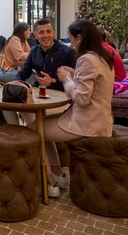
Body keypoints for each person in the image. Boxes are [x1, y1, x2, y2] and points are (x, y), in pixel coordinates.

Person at [28, 18, 115, 198]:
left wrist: (65, 79)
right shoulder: (103, 57)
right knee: (42, 125)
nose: (70, 42)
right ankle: (58, 175)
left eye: (71, 38)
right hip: (100, 119)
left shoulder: (86, 59)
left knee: (34, 130)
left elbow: (82, 99)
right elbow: (95, 85)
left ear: (80, 38)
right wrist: (75, 73)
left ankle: (50, 179)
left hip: (87, 123)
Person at [17, 18, 76, 91]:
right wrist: (16, 82)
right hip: (39, 92)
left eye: (49, 31)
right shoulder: (34, 51)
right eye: (41, 32)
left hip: (62, 96)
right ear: (36, 36)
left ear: (53, 33)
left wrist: (52, 82)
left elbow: (76, 81)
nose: (45, 35)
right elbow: (23, 73)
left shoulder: (68, 52)